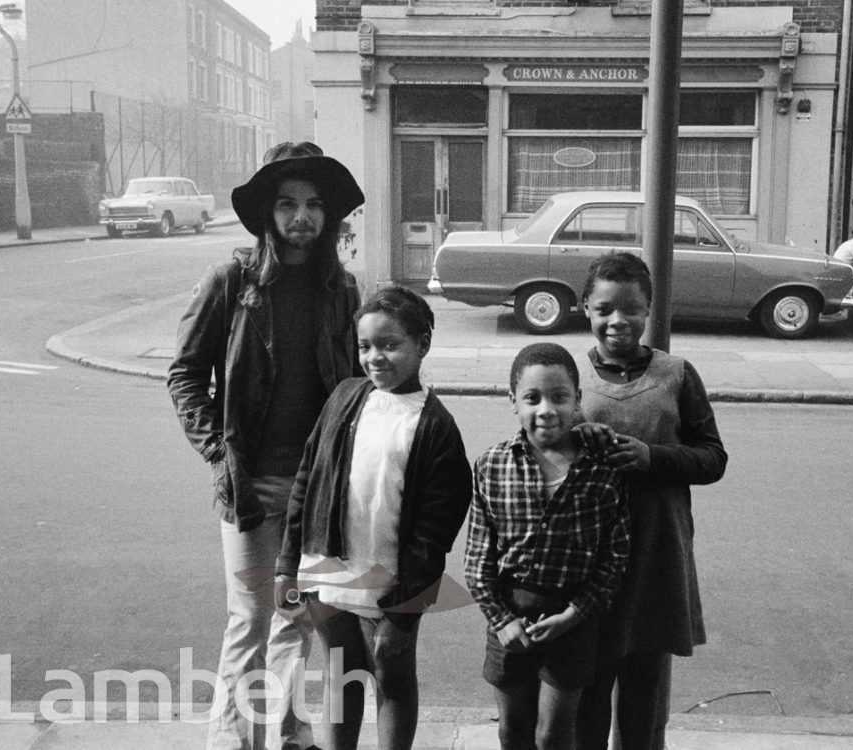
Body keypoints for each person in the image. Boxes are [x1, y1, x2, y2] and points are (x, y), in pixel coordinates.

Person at [166, 141, 364, 750]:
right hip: (250, 480)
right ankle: (232, 740)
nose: (300, 217)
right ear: (267, 214)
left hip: (320, 486)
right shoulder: (233, 281)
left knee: (294, 618)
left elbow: (356, 381)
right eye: (287, 204)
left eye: (312, 205)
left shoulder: (343, 290)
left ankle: (277, 730)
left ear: (329, 216)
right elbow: (185, 375)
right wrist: (219, 456)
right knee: (249, 619)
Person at [274, 286, 473, 750]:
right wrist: (287, 565)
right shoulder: (345, 398)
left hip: (392, 583)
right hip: (329, 571)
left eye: (390, 345)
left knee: (392, 675)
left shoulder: (435, 426)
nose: (375, 357)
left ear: (422, 345)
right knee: (341, 677)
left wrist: (404, 610)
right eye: (365, 346)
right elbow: (306, 481)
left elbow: (436, 530)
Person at [573, 253, 728, 750]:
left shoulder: (677, 374)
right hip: (586, 553)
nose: (618, 321)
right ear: (586, 309)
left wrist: (651, 457)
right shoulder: (568, 373)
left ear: (649, 310)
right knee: (587, 695)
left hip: (656, 549)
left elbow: (712, 458)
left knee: (644, 698)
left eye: (632, 309)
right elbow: (536, 447)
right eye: (604, 309)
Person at [465, 342, 631, 750]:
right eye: (532, 398)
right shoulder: (493, 464)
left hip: (571, 619)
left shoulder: (602, 470)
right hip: (509, 615)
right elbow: (476, 560)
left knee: (555, 734)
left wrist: (574, 616)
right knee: (512, 731)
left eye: (560, 397)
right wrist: (501, 620)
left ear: (577, 400)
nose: (546, 410)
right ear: (512, 402)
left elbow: (614, 559)